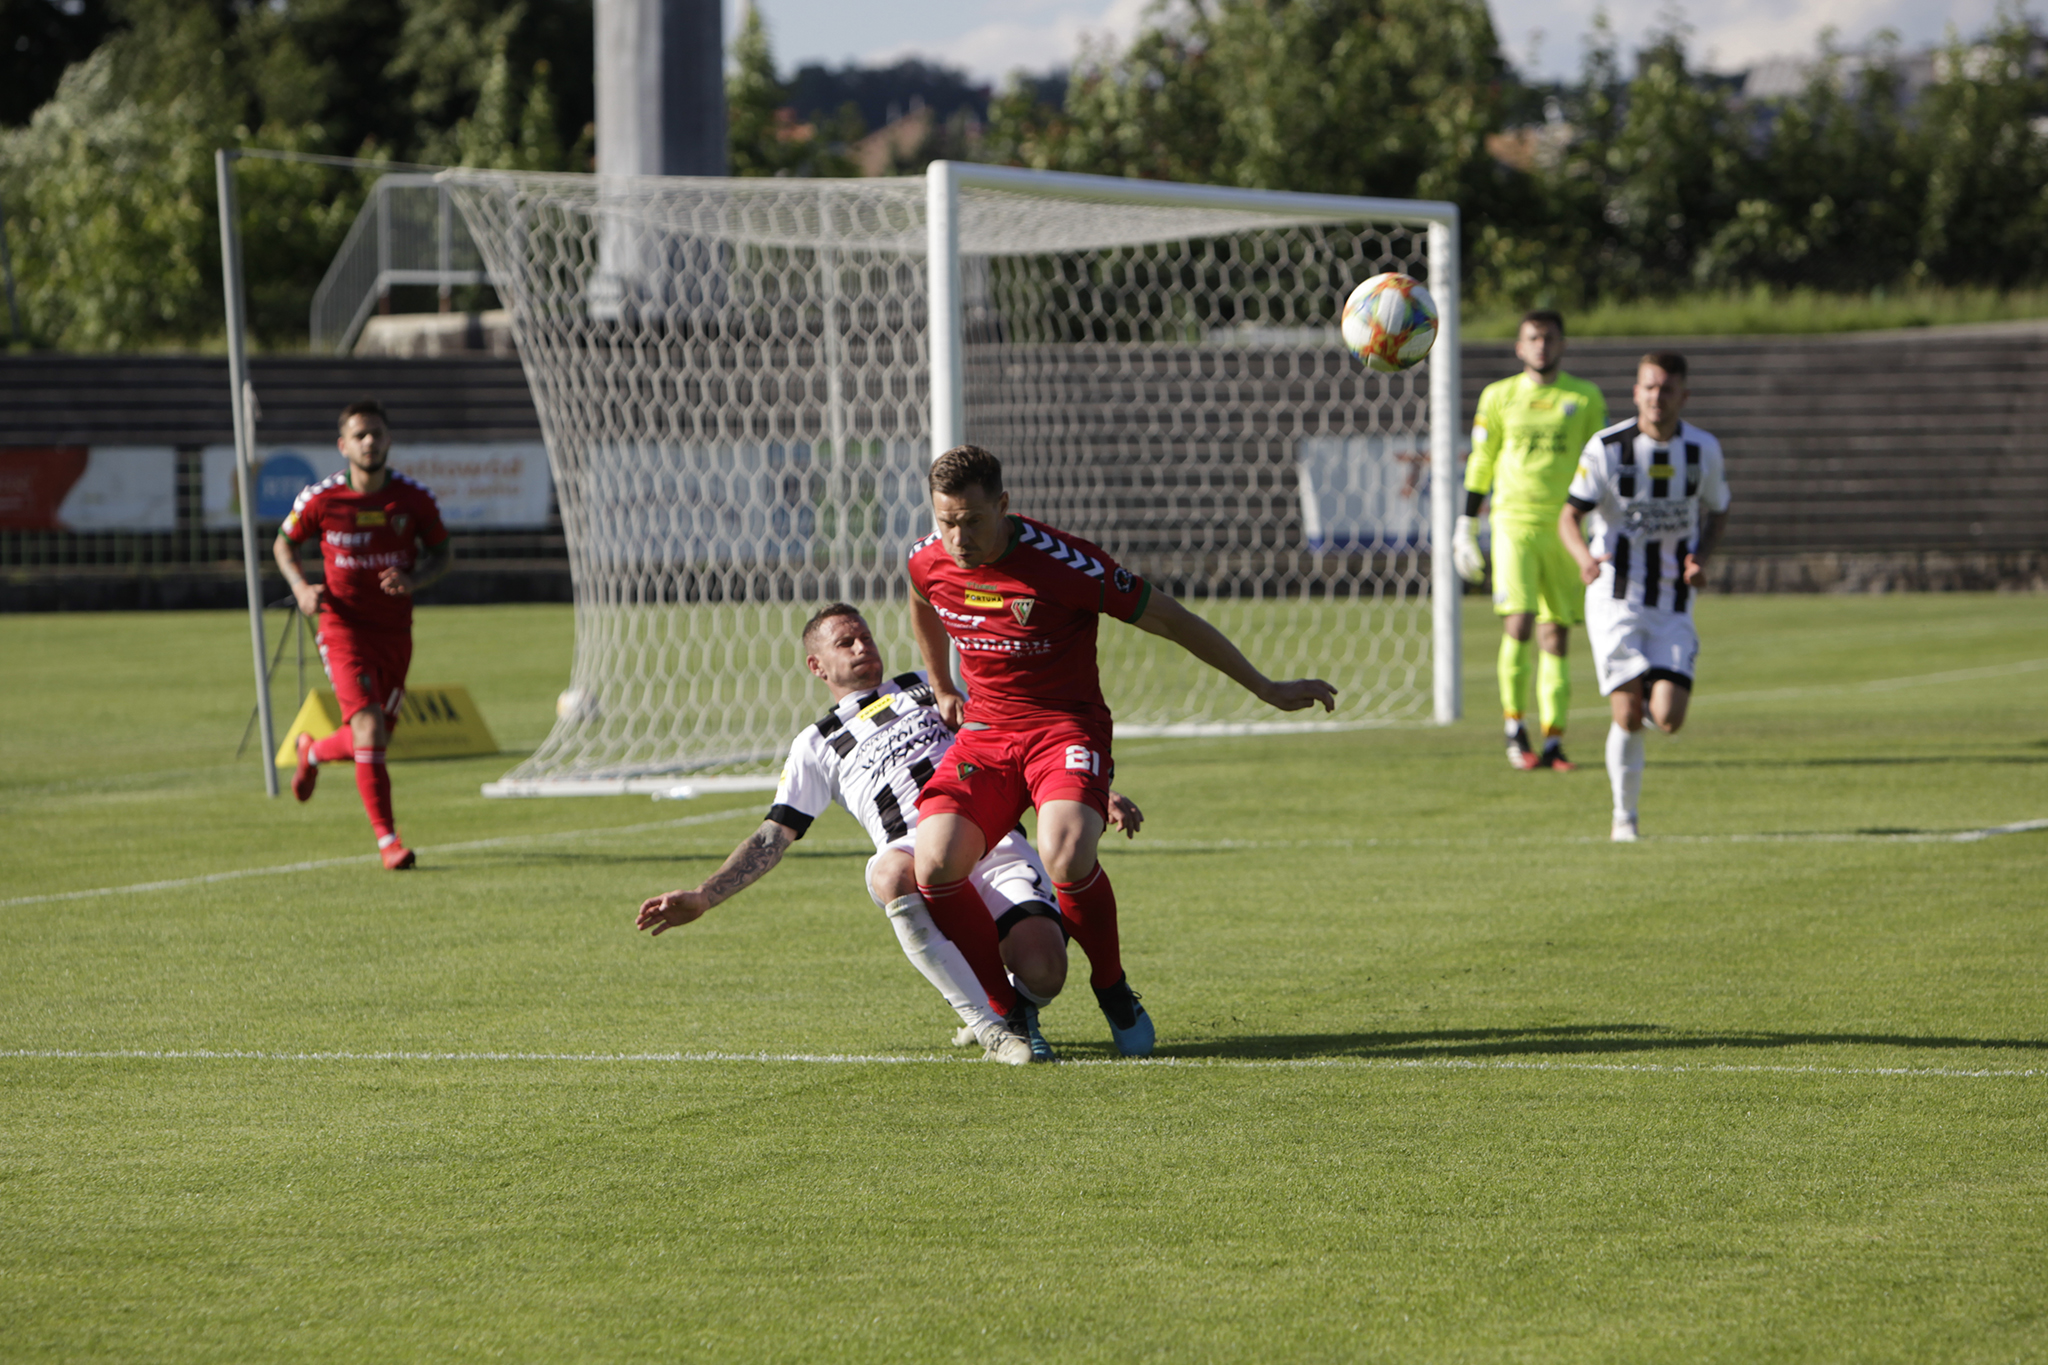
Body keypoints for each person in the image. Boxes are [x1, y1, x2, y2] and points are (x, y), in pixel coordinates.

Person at [907, 445, 1338, 1058]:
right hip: (987, 734)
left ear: (1002, 505)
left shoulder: (1067, 564)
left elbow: (1171, 619)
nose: (958, 537)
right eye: (946, 521)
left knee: (1065, 852)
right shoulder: (927, 559)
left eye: (973, 520)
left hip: (1064, 729)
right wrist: (942, 685)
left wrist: (1265, 688)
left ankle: (1111, 987)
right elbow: (922, 600)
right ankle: (1007, 1013)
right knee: (933, 864)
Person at [634, 603, 1145, 1066]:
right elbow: (773, 837)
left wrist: (1089, 792)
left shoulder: (928, 685)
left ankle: (1010, 1000)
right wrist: (704, 895)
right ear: (817, 666)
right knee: (890, 872)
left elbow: (1017, 742)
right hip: (913, 847)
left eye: (866, 637)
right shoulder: (816, 744)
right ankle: (992, 1026)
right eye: (845, 643)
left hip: (994, 842)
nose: (862, 647)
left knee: (1046, 972)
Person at [1559, 352, 1731, 842]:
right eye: (1649, 388)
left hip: (1672, 598)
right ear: (1636, 393)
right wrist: (1583, 558)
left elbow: (1719, 509)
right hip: (1614, 595)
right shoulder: (1607, 448)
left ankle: (1648, 689)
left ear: (1683, 396)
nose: (1657, 397)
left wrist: (1701, 558)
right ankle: (1624, 817)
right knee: (1628, 715)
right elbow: (1569, 516)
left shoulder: (1702, 449)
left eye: (1667, 389)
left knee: (1669, 719)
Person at [275, 400, 453, 869]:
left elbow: (442, 554)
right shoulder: (322, 499)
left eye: (376, 433)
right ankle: (389, 843)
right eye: (360, 435)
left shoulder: (414, 500)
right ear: (343, 445)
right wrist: (301, 588)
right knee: (369, 729)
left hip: (395, 633)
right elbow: (284, 544)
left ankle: (312, 752)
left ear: (389, 440)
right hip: (342, 628)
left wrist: (414, 580)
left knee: (370, 740)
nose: (369, 441)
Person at [1453, 310, 1609, 770]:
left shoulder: (1584, 397)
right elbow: (1482, 460)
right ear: (1519, 346)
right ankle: (1515, 728)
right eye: (1533, 338)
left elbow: (1599, 465)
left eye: (1549, 338)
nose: (1542, 346)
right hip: (1513, 523)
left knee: (1555, 634)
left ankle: (1554, 741)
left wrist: (1602, 525)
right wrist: (1466, 525)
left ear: (1563, 344)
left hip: (1564, 527)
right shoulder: (1498, 396)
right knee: (1518, 623)